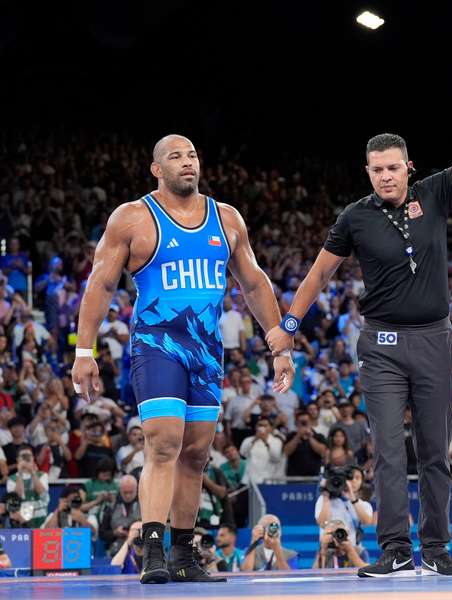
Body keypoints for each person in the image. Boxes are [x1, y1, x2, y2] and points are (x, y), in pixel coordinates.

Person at [266, 41, 452, 578]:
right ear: (367, 172)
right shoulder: (354, 218)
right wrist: (288, 327)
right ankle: (394, 549)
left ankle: (436, 548)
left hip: (434, 338)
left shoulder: (434, 193)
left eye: (393, 168)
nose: (385, 177)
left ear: (408, 166)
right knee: (388, 451)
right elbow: (319, 273)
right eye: (376, 170)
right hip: (382, 344)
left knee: (434, 452)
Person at [71, 134, 295, 584]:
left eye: (192, 155)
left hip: (206, 350)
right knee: (164, 443)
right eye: (176, 157)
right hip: (157, 344)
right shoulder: (133, 217)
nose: (187, 162)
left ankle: (183, 554)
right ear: (157, 169)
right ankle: (152, 549)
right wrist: (84, 350)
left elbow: (254, 283)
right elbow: (100, 284)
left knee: (195, 455)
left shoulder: (226, 218)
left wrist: (279, 344)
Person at [5, 447, 50, 527]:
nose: (26, 459)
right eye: (23, 456)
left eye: (28, 456)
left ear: (33, 458)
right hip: (22, 524)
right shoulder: (11, 479)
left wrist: (32, 472)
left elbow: (42, 493)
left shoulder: (43, 475)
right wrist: (20, 473)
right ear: (18, 459)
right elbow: (16, 498)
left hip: (41, 522)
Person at [99, 474, 141, 556]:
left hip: (140, 549)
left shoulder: (144, 505)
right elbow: (102, 533)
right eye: (125, 492)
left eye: (131, 492)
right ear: (120, 490)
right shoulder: (111, 507)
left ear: (136, 489)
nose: (128, 496)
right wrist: (115, 533)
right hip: (116, 549)